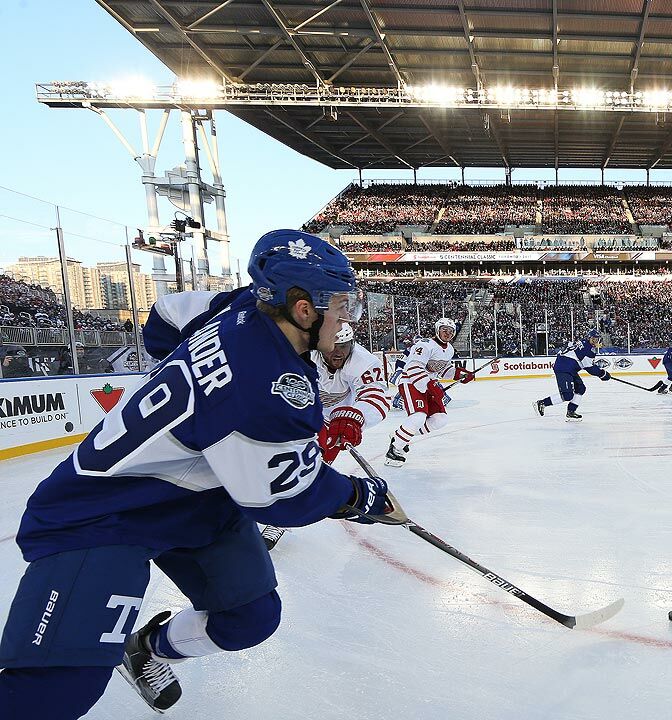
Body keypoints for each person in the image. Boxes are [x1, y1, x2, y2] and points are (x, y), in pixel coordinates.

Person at [0, 230, 396, 718]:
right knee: (59, 690)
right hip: (105, 514)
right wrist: (362, 496)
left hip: (198, 499)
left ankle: (144, 649)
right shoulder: (266, 387)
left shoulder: (238, 307)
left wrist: (183, 378)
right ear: (303, 310)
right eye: (341, 306)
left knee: (250, 618)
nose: (348, 318)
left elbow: (165, 315)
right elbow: (282, 500)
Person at [262, 322, 392, 549]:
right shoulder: (306, 351)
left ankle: (281, 521)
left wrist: (355, 416)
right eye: (333, 345)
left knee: (311, 468)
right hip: (303, 410)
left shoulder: (363, 362)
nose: (337, 352)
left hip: (337, 423)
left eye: (344, 346)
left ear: (352, 344)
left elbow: (376, 397)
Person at [385, 319, 474, 467]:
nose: (447, 333)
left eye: (451, 331)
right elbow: (413, 368)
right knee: (418, 416)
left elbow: (443, 370)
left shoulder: (449, 349)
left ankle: (399, 435)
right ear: (437, 329)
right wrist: (430, 385)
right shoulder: (424, 345)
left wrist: (460, 374)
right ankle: (395, 451)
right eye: (444, 329)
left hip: (427, 384)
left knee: (440, 419)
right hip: (411, 382)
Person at [533, 329, 611, 421]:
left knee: (580, 388)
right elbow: (590, 368)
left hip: (569, 367)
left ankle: (571, 411)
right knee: (567, 395)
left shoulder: (583, 342)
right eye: (593, 339)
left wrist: (600, 373)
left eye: (596, 339)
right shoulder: (588, 350)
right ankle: (542, 403)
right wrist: (602, 374)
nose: (595, 341)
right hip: (564, 367)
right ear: (588, 338)